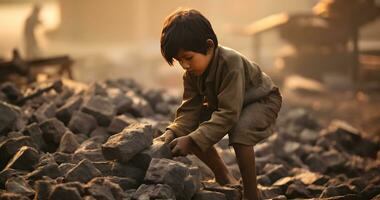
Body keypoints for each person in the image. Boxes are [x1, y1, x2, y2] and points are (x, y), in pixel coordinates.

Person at [158, 8, 282, 200]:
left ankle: (251, 193)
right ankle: (224, 175)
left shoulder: (230, 63)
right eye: (179, 60)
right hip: (230, 103)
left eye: (188, 58)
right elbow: (190, 109)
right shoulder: (191, 74)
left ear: (209, 46)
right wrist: (173, 132)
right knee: (190, 128)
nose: (185, 65)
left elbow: (229, 114)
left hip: (261, 100)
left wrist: (191, 141)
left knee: (240, 130)